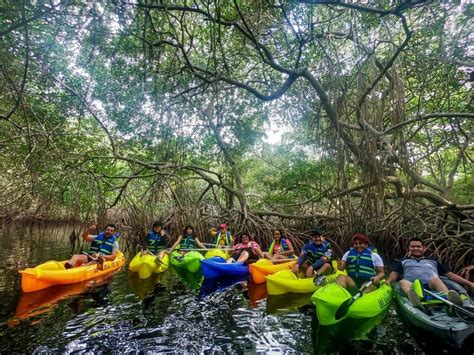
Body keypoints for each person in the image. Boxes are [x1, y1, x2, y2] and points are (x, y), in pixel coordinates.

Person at [385, 237, 474, 308]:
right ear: (409, 248)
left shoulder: (433, 261)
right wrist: (388, 281)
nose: (416, 248)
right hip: (412, 287)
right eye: (413, 246)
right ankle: (414, 299)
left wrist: (469, 283)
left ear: (424, 248)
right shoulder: (403, 261)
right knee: (402, 281)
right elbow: (395, 274)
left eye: (418, 246)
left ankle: (450, 299)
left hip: (431, 286)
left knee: (435, 279)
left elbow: (450, 275)